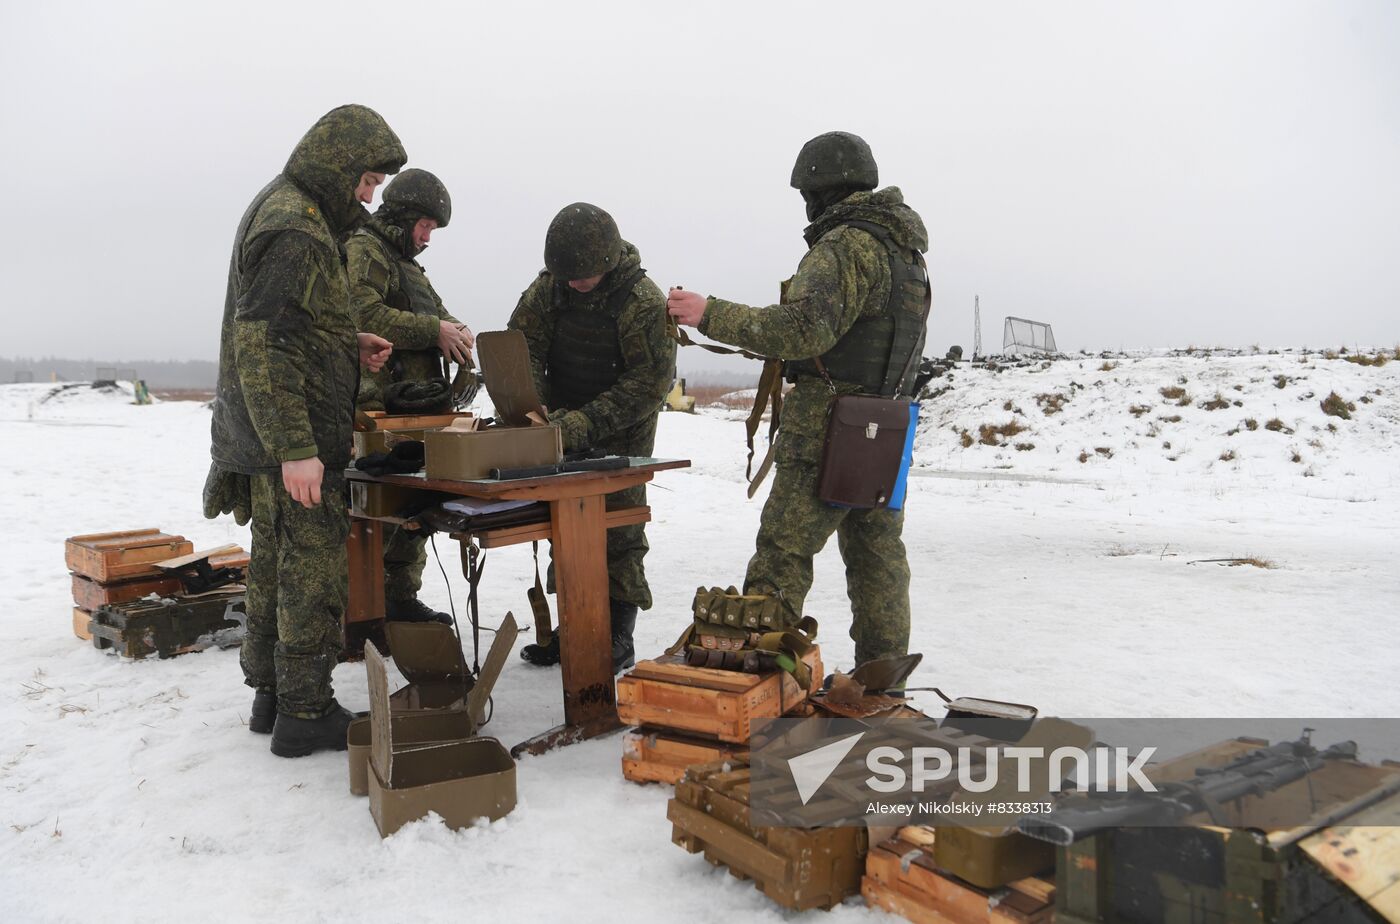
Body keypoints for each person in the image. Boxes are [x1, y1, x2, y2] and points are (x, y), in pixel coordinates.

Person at [666, 131, 930, 668]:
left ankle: (758, 686)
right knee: (878, 561)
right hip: (887, 426)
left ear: (819, 189)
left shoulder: (845, 246)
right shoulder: (906, 254)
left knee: (781, 559)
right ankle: (883, 684)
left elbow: (803, 329)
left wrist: (707, 312)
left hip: (829, 429)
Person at [205, 104, 407, 757]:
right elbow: (265, 345)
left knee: (276, 562)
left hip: (274, 432)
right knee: (312, 567)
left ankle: (272, 696)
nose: (371, 195)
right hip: (294, 438)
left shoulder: (295, 210)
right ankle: (305, 709)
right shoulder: (296, 227)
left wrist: (350, 341)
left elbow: (295, 326)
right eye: (369, 180)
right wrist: (297, 448)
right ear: (339, 165)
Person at [508, 203, 675, 672]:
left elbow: (649, 384)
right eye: (568, 277)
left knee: (618, 528)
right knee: (567, 524)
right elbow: (523, 349)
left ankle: (618, 632)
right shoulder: (549, 289)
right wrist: (534, 411)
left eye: (583, 276)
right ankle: (574, 625)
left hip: (624, 427)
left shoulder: (642, 301)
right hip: (558, 422)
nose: (575, 285)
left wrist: (582, 423)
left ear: (606, 261)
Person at [347, 168, 474, 624]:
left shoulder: (407, 265)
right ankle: (363, 613)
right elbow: (362, 313)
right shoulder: (364, 249)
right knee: (374, 518)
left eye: (432, 230)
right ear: (402, 217)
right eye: (424, 226)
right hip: (376, 410)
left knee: (411, 517)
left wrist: (457, 332)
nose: (427, 237)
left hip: (412, 410)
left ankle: (399, 601)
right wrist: (433, 330)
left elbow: (435, 315)